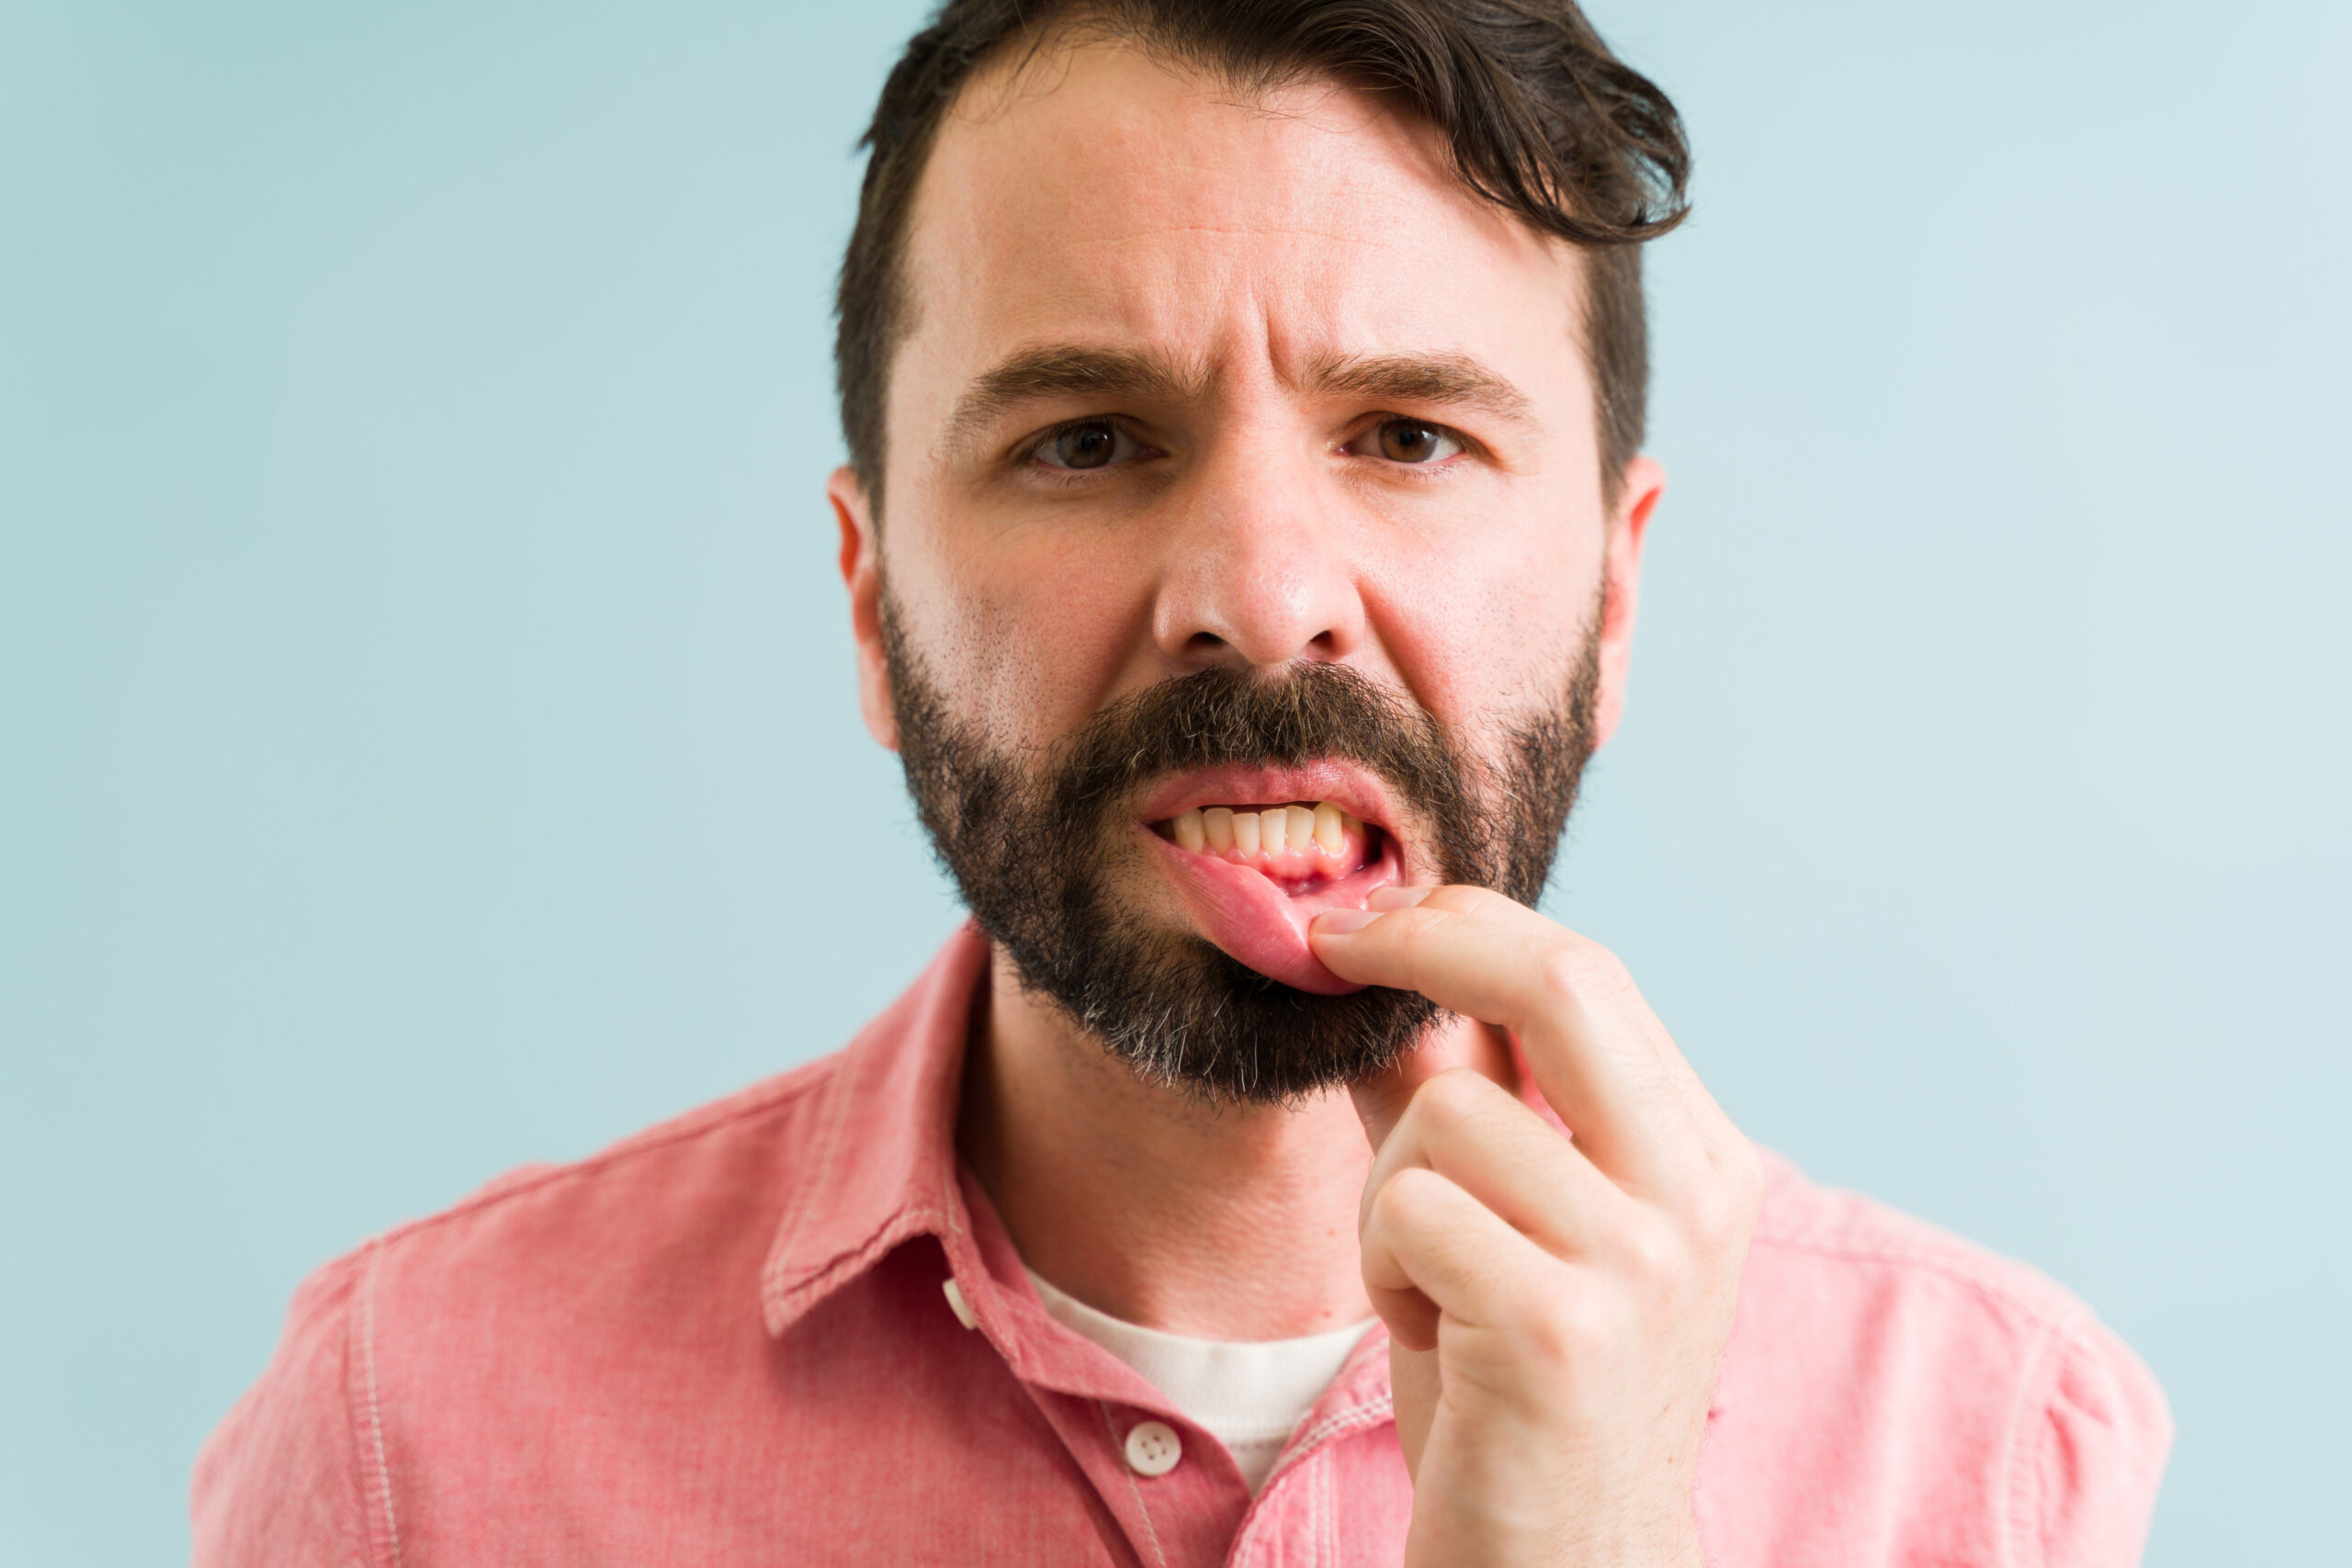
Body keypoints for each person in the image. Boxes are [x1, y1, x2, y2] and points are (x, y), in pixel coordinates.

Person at [191, 1, 2174, 1562]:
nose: (1255, 599)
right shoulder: (407, 1436)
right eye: (1082, 438)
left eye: (1402, 432)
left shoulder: (1993, 1453)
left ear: (1614, 594)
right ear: (872, 602)